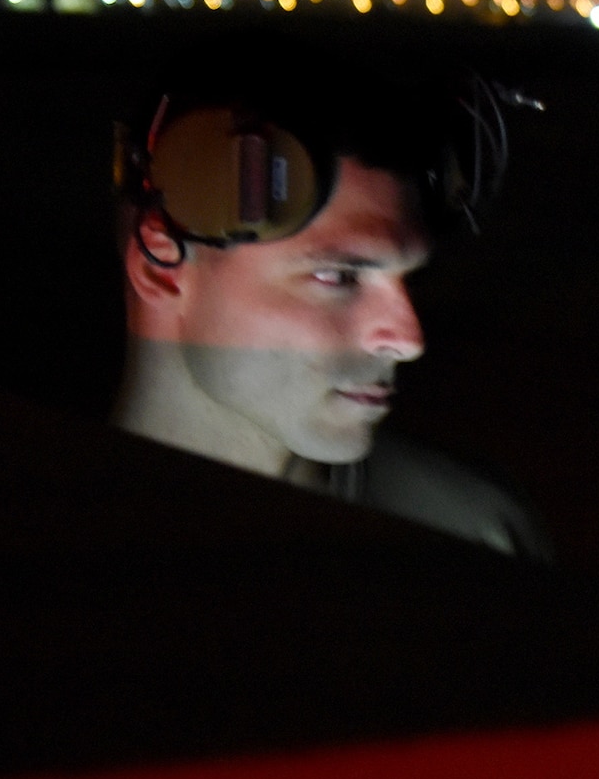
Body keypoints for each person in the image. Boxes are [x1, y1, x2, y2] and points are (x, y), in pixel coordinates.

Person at [110, 44, 549, 559]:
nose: (407, 340)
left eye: (407, 280)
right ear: (160, 269)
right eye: (338, 276)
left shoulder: (476, 535)